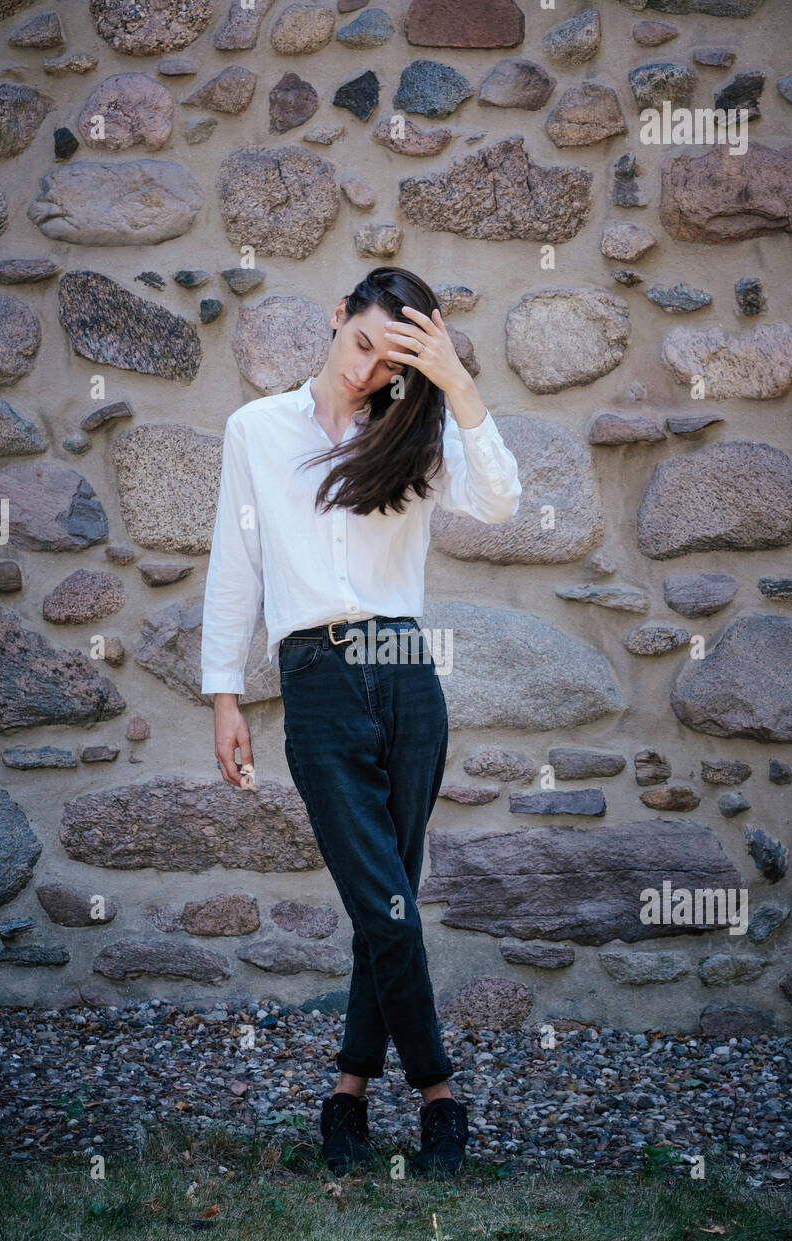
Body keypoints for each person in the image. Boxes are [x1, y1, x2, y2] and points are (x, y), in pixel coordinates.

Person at [200, 266, 522, 1176]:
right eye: (362, 343)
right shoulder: (257, 430)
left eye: (393, 362)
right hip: (317, 677)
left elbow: (499, 501)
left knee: (391, 899)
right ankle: (439, 1096)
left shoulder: (413, 431)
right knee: (383, 898)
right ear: (338, 318)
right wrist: (226, 693)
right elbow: (239, 563)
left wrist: (453, 383)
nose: (370, 370)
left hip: (407, 676)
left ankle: (346, 1092)